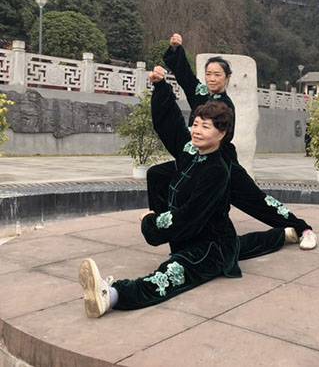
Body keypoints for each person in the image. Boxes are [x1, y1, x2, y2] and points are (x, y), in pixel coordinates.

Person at [78, 68, 286, 317]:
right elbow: (170, 123)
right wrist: (160, 86)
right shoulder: (190, 152)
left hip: (210, 245)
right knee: (246, 244)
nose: (196, 131)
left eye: (205, 127)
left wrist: (151, 222)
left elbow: (189, 216)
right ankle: (284, 234)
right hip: (198, 236)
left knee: (172, 273)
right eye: (195, 124)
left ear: (222, 133)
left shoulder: (218, 171)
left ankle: (111, 295)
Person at [147, 34, 317, 250]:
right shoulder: (202, 93)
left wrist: (192, 141)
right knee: (157, 175)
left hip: (221, 161)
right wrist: (175, 51)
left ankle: (302, 228)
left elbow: (218, 138)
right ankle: (165, 223)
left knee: (257, 200)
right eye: (208, 74)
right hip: (195, 158)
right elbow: (187, 78)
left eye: (217, 74)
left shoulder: (225, 106)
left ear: (227, 78)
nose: (212, 79)